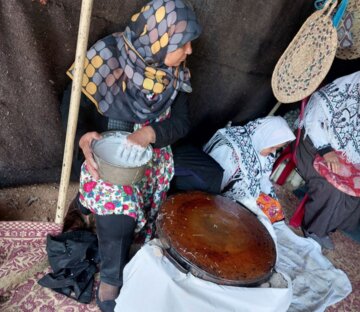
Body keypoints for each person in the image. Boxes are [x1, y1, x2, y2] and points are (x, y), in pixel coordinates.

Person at [60, 1, 201, 311]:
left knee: (175, 192)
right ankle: (111, 277)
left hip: (151, 156)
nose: (189, 50)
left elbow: (181, 123)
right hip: (104, 156)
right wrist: (83, 138)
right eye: (183, 43)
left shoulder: (175, 74)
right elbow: (71, 108)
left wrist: (149, 135)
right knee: (118, 206)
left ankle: (91, 207)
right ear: (158, 40)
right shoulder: (106, 58)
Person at [295, 71, 360, 250]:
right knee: (330, 187)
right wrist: (326, 150)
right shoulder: (340, 90)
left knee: (355, 190)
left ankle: (328, 225)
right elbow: (313, 119)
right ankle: (314, 229)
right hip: (314, 145)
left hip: (343, 154)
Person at [203, 116, 295, 223]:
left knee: (274, 210)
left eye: (276, 148)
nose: (273, 151)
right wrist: (254, 205)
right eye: (272, 147)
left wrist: (269, 197)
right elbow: (220, 186)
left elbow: (263, 178)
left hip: (246, 196)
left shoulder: (264, 149)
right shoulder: (230, 148)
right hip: (219, 198)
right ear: (263, 137)